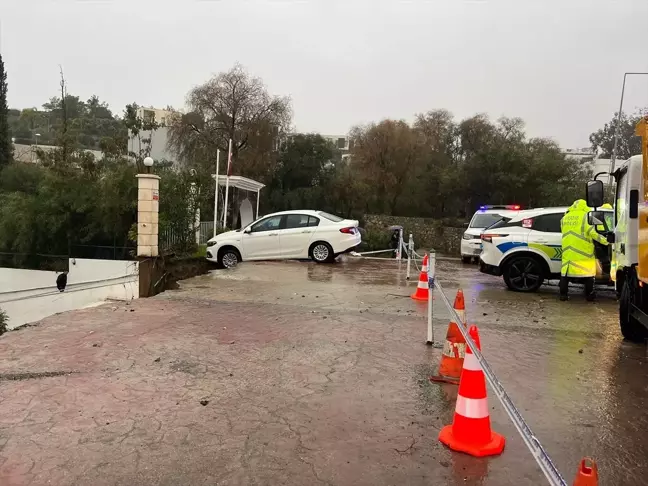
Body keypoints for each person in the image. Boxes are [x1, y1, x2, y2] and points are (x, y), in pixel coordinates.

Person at [560, 199, 608, 301]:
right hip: (583, 252)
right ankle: (589, 296)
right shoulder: (586, 217)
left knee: (565, 275)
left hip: (568, 251)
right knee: (588, 275)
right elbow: (593, 233)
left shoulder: (565, 217)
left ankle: (563, 296)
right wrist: (606, 241)